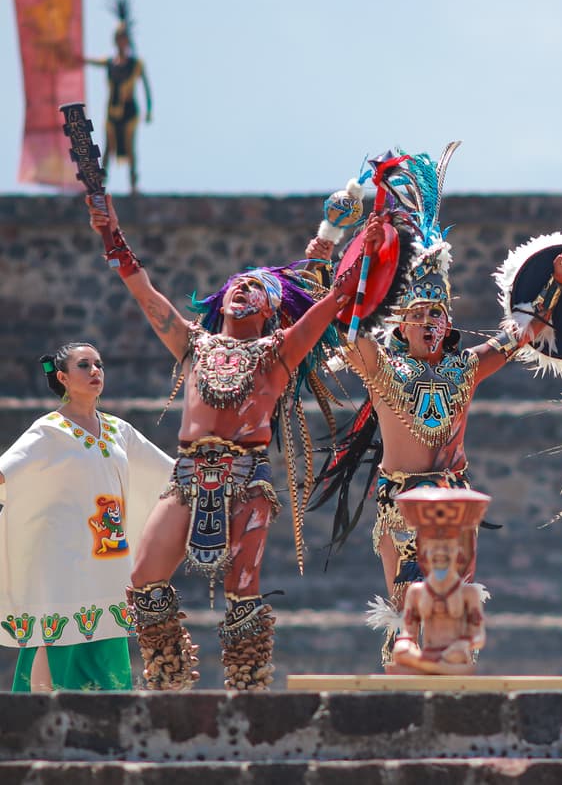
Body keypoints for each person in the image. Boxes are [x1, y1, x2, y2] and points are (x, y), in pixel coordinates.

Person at [312, 149, 562, 669]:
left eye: (438, 315)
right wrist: (339, 246)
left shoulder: (466, 367)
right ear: (401, 325)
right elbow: (339, 320)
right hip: (401, 504)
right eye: (418, 314)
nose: (429, 323)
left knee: (454, 619)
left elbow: (523, 332)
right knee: (411, 616)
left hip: (455, 500)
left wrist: (558, 282)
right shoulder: (379, 367)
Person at [87, 192, 371, 690]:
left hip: (245, 479)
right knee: (144, 579)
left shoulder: (278, 352)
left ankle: (246, 689)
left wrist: (347, 271)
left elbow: (325, 311)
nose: (242, 290)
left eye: (254, 288)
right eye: (236, 286)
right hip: (186, 475)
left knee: (245, 590)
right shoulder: (192, 343)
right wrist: (113, 238)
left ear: (271, 309)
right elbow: (146, 296)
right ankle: (170, 678)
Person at [0, 344, 172, 691]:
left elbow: (169, 474)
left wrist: (220, 465)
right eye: (84, 365)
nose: (96, 371)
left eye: (99, 365)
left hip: (108, 559)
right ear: (62, 378)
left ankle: (104, 729)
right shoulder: (49, 431)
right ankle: (38, 725)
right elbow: (5, 473)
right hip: (62, 558)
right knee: (58, 635)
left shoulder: (118, 430)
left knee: (106, 634)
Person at [83, 0, 152, 195]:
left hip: (130, 111)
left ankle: (133, 185)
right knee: (107, 148)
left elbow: (146, 88)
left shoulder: (136, 64)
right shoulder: (110, 62)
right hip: (112, 111)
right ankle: (99, 185)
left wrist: (149, 110)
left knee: (131, 149)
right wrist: (77, 57)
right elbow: (92, 61)